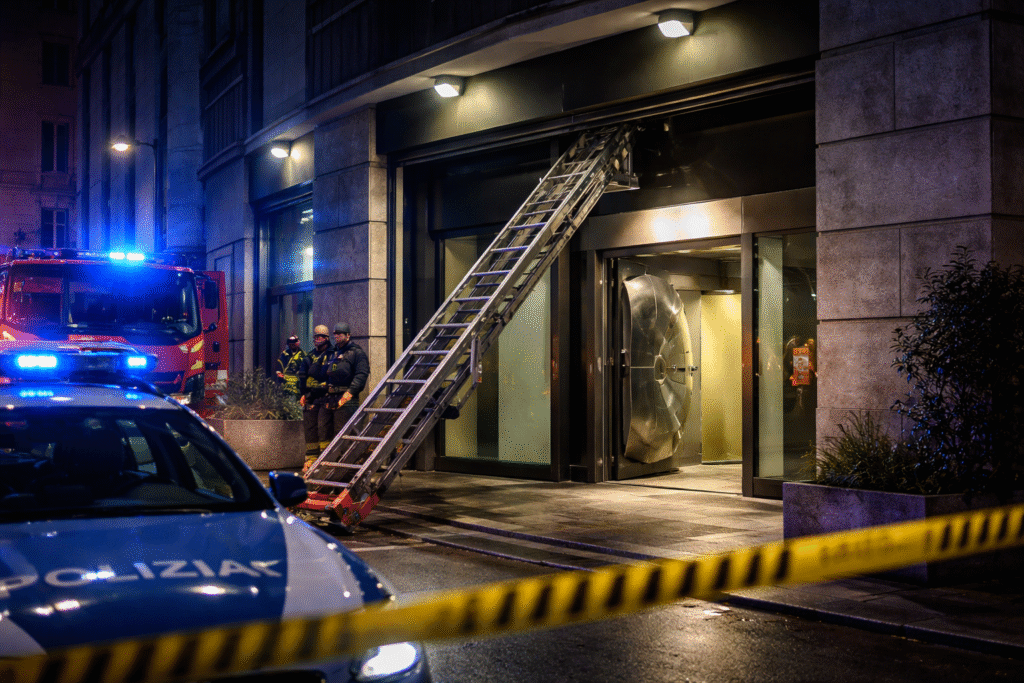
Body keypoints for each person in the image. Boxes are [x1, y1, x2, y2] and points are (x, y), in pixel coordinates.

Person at [325, 322, 370, 439]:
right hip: (331, 398)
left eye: (340, 334)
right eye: (335, 334)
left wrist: (349, 393)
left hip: (347, 399)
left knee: (344, 434)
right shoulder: (334, 353)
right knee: (328, 432)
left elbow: (361, 374)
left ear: (348, 335)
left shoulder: (357, 353)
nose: (336, 336)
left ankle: (346, 457)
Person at [297, 325, 332, 471]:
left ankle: (325, 460)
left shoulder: (332, 354)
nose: (317, 339)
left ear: (327, 338)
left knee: (324, 429)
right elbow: (303, 376)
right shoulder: (310, 356)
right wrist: (303, 394)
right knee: (310, 429)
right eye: (316, 337)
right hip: (311, 397)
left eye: (320, 337)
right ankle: (311, 459)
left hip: (326, 397)